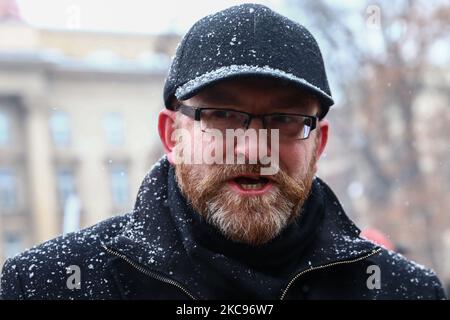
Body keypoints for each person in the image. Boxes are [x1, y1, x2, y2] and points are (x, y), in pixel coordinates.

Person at [0, 3, 446, 300]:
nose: (253, 148)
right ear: (172, 136)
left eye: (285, 121)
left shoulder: (404, 291)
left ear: (319, 144)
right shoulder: (46, 286)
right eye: (222, 116)